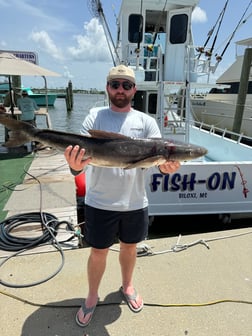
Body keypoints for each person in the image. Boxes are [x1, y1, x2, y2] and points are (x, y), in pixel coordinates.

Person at [64, 64, 181, 327]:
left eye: (126, 85)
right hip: (99, 202)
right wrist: (74, 164)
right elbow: (78, 162)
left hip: (135, 202)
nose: (120, 89)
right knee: (98, 251)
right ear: (107, 87)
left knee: (130, 248)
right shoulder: (94, 117)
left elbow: (160, 162)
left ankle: (127, 286)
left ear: (134, 90)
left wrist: (167, 166)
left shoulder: (146, 122)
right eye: (115, 84)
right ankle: (92, 296)